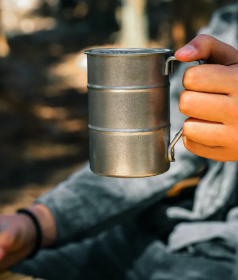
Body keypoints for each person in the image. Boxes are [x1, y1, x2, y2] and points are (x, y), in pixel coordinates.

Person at [1, 3, 238, 280]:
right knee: (23, 259)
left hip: (220, 260)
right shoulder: (231, 24)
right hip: (163, 229)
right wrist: (36, 224)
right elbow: (147, 145)